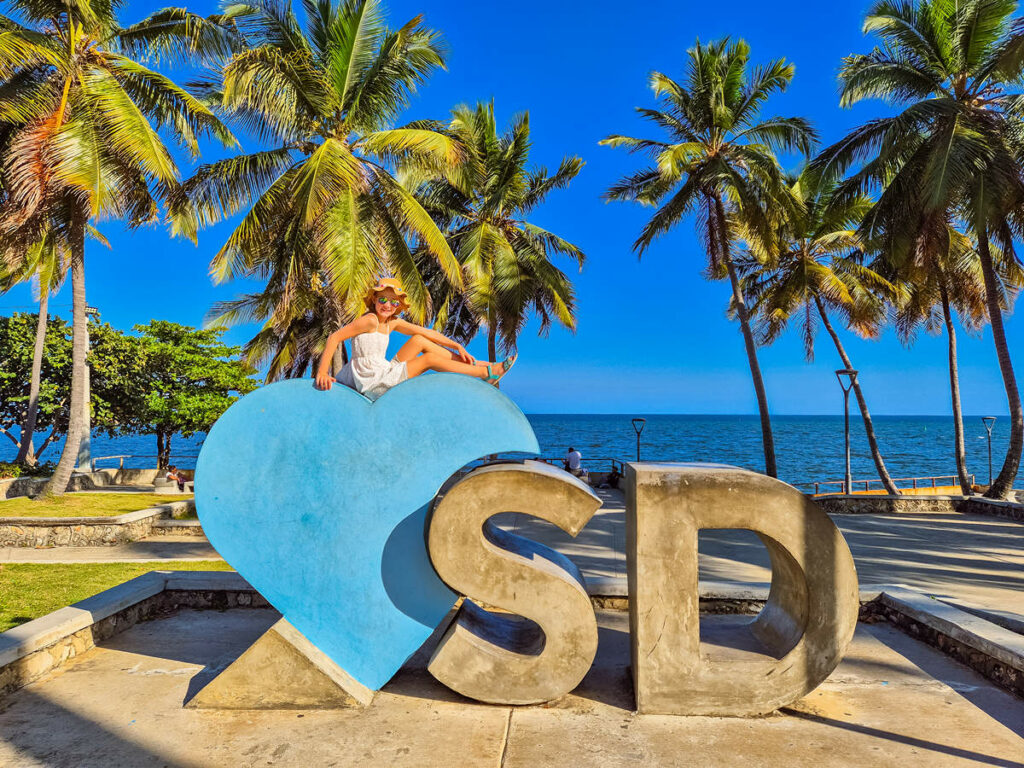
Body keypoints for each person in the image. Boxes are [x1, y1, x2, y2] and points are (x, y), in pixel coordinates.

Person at [314, 278, 516, 399]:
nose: (387, 305)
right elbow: (335, 337)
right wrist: (323, 372)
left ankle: (483, 365)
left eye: (393, 302)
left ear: (398, 306)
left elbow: (428, 333)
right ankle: (483, 373)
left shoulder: (392, 322)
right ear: (374, 300)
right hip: (372, 381)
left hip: (382, 369)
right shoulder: (370, 320)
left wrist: (456, 345)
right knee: (428, 360)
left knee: (420, 340)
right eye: (383, 299)